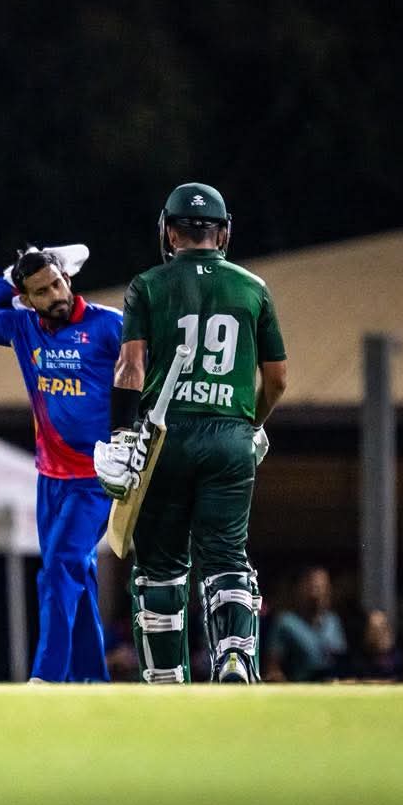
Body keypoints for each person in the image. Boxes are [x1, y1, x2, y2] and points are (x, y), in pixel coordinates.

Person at [94, 182, 288, 684]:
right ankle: (235, 656)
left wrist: (121, 435)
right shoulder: (253, 288)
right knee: (226, 556)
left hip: (167, 434)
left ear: (169, 231)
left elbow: (130, 368)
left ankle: (165, 678)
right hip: (229, 437)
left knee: (160, 566)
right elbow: (277, 380)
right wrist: (250, 424)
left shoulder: (148, 285)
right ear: (223, 233)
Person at [0, 246, 121, 682]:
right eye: (41, 291)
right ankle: (92, 680)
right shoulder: (22, 326)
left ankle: (47, 676)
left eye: (57, 284)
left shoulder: (108, 325)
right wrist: (8, 278)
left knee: (60, 567)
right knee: (76, 574)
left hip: (96, 477)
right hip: (50, 478)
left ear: (68, 279)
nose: (55, 295)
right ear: (25, 299)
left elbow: (150, 375)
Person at [263, 566, 348, 681]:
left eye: (322, 587)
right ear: (300, 588)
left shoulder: (333, 620)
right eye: (312, 587)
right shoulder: (286, 622)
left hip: (332, 685)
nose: (317, 593)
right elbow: (272, 667)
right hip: (300, 685)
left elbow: (340, 658)